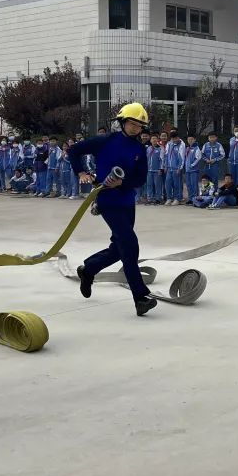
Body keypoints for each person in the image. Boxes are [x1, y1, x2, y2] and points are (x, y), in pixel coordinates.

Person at [69, 102, 156, 317]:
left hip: (127, 200)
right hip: (107, 200)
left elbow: (140, 178)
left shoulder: (139, 149)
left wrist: (123, 184)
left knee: (119, 248)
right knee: (130, 245)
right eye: (132, 123)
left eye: (140, 125)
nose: (136, 128)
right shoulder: (106, 141)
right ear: (122, 122)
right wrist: (81, 173)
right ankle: (140, 297)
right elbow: (74, 151)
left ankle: (88, 270)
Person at [164, 130, 186, 206]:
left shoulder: (182, 145)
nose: (174, 140)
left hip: (176, 168)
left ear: (178, 137)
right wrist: (166, 166)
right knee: (168, 183)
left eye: (175, 138)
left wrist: (180, 168)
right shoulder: (169, 144)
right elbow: (166, 155)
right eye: (172, 139)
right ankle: (169, 198)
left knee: (177, 184)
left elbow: (182, 157)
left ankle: (177, 198)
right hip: (169, 168)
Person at [185, 135, 201, 205]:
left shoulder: (196, 148)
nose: (190, 141)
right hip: (187, 170)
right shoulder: (187, 148)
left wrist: (192, 165)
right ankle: (190, 198)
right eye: (188, 140)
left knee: (194, 185)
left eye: (191, 139)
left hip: (194, 170)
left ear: (194, 139)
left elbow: (198, 158)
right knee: (188, 185)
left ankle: (195, 198)